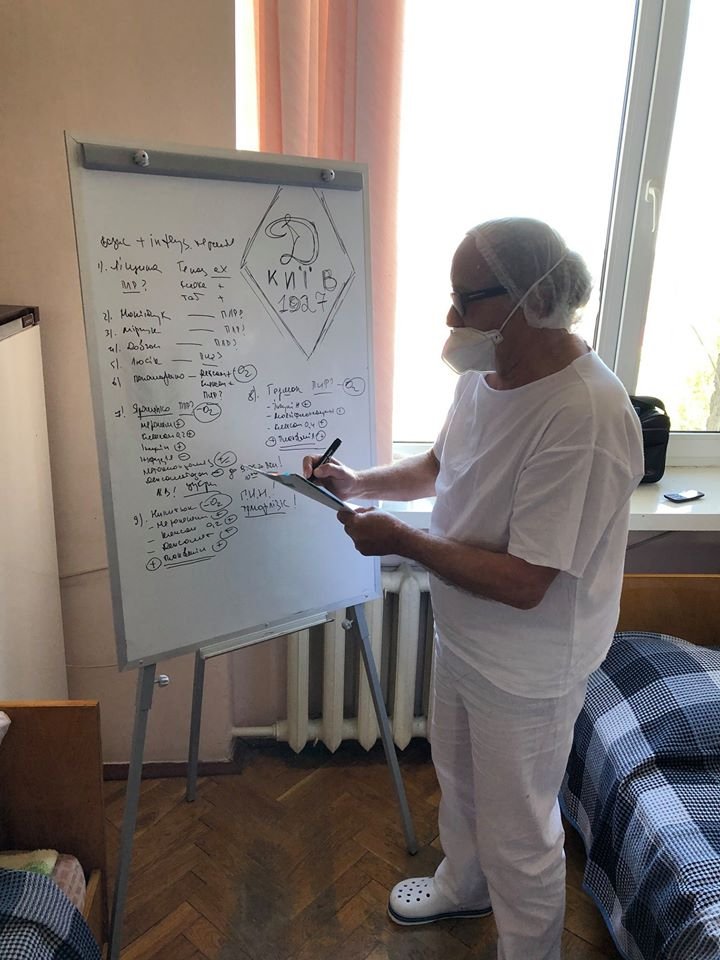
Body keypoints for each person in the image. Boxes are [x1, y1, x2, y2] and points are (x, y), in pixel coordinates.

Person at [303, 217, 644, 960]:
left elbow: (526, 582)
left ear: (531, 299)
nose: (451, 317)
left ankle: (528, 948)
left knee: (519, 830)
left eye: (467, 298)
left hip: (529, 666)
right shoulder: (483, 379)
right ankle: (464, 886)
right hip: (463, 635)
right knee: (456, 780)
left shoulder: (584, 413)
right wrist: (358, 482)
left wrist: (403, 541)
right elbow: (437, 466)